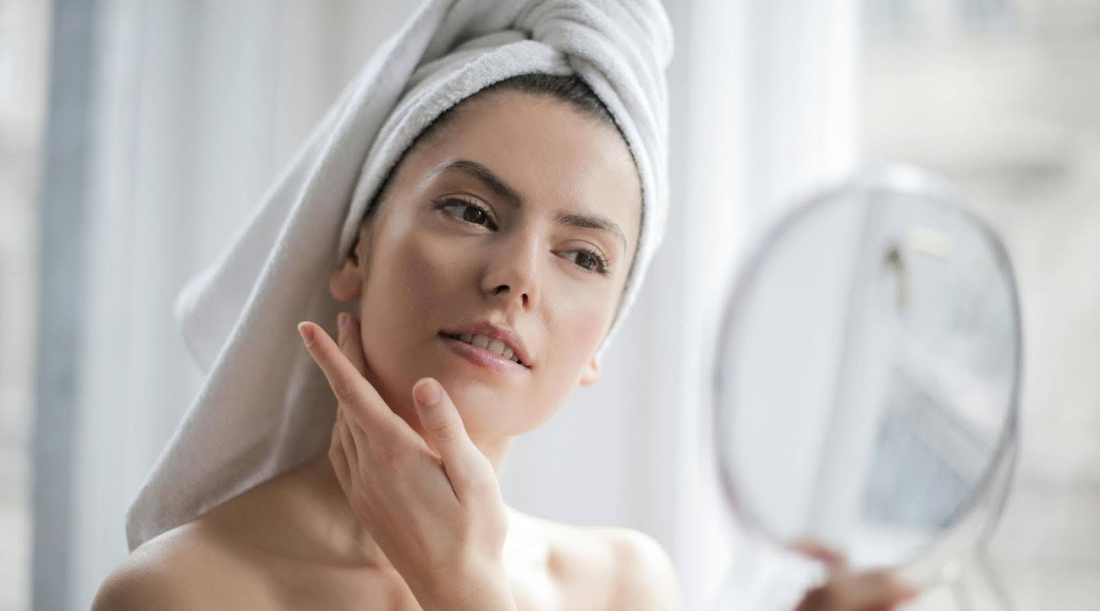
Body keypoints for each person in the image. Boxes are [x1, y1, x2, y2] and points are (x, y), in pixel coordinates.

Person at [91, 2, 917, 609]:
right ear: (355, 247)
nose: (516, 278)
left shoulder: (627, 587)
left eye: (583, 256)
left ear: (603, 339)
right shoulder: (181, 592)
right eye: (470, 211)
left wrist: (465, 588)